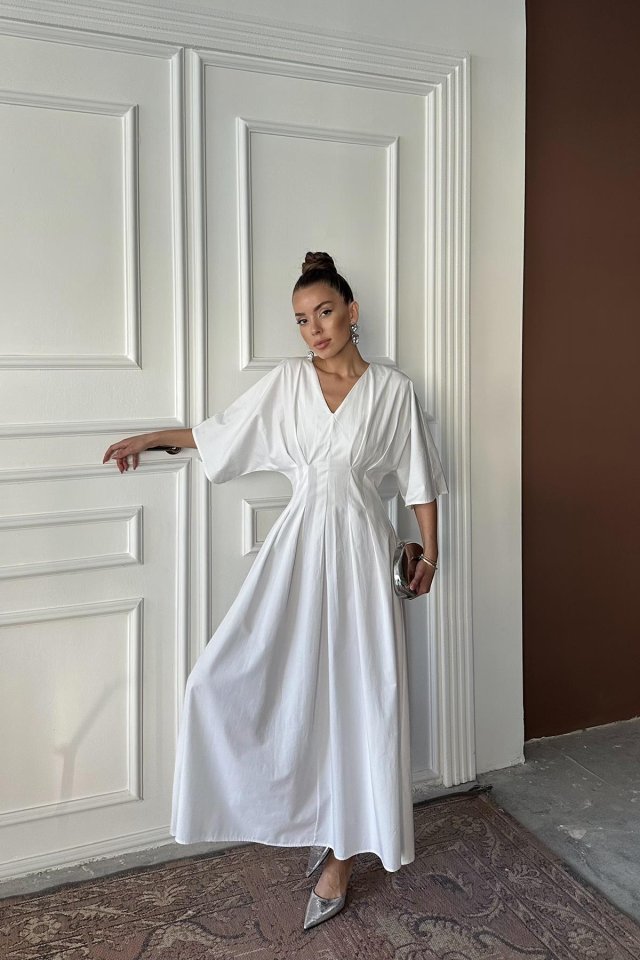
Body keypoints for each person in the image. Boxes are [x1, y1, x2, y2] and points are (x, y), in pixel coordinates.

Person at [102, 251, 449, 931]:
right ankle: (315, 818)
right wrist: (154, 437)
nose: (314, 329)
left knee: (361, 701)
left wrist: (431, 555)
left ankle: (342, 857)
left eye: (325, 312)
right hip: (296, 556)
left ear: (352, 312)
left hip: (363, 560)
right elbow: (221, 434)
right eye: (301, 320)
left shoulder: (393, 391)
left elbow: (419, 483)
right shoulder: (289, 384)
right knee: (220, 683)